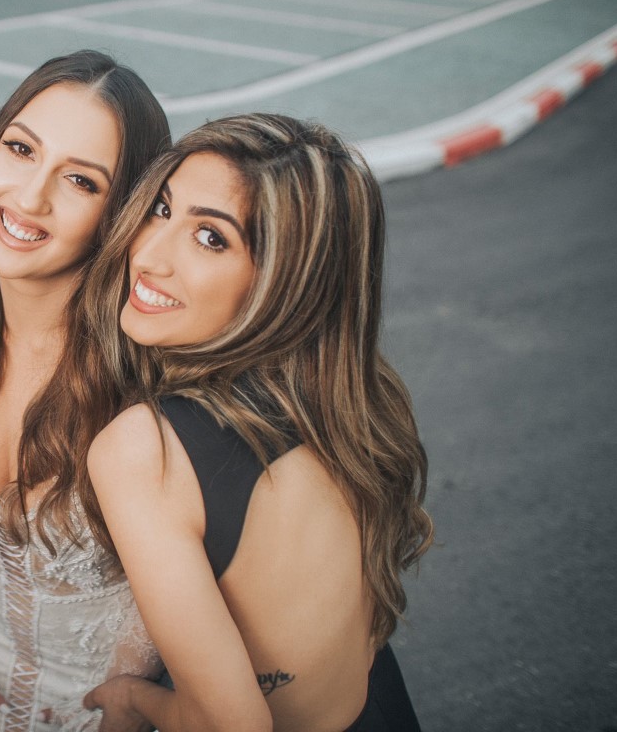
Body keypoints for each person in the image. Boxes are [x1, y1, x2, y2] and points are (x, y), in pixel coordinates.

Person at [80, 114, 433, 732]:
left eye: (211, 238)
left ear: (284, 283)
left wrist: (134, 700)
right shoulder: (350, 401)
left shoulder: (145, 451)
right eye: (161, 209)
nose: (148, 254)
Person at [0, 51, 171, 732]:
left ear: (121, 214)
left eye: (80, 180)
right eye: (20, 149)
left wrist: (119, 717)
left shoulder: (147, 372)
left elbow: (164, 587)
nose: (29, 197)